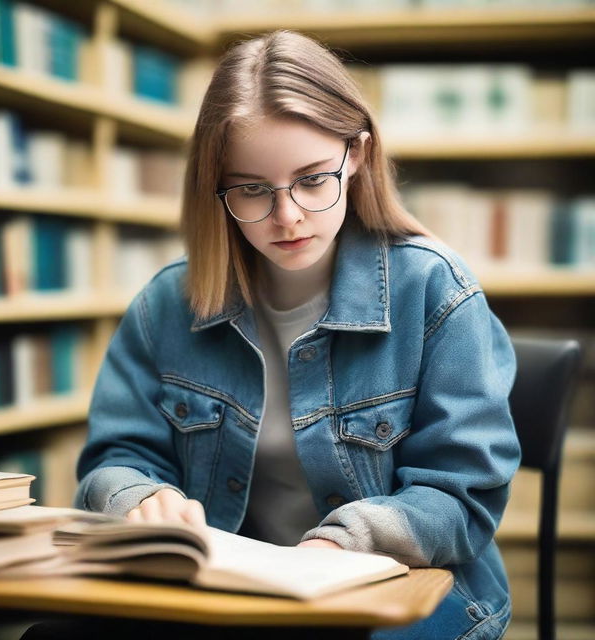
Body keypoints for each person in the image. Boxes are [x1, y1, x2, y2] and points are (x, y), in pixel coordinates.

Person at [72, 29, 520, 640]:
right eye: (253, 189)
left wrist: (346, 543)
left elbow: (462, 497)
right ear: (217, 186)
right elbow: (113, 457)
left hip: (400, 590)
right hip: (226, 600)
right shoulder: (164, 306)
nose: (287, 217)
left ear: (356, 155)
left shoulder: (436, 291)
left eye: (313, 180)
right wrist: (135, 497)